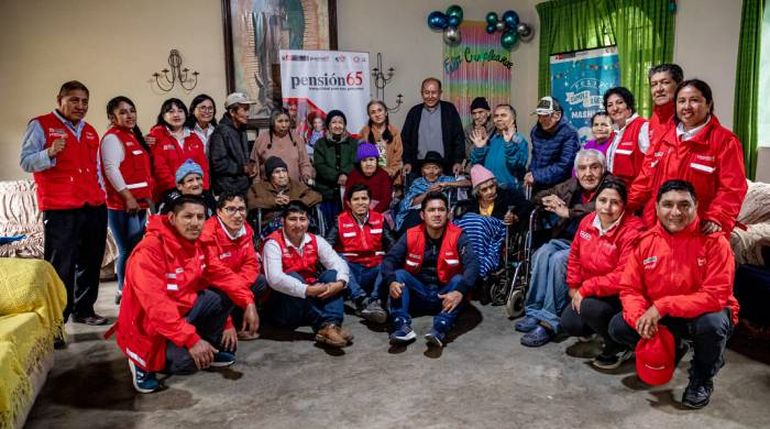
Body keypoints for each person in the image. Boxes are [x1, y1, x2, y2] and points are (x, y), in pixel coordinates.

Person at [609, 180, 740, 409]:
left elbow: (716, 296)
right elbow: (630, 289)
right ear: (657, 207)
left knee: (712, 325)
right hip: (663, 316)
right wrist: (640, 317)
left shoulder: (715, 242)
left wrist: (662, 306)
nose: (675, 212)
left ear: (696, 205)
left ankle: (702, 376)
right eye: (667, 205)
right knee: (619, 326)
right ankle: (673, 347)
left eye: (684, 205)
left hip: (702, 314)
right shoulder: (645, 242)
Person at [113, 196, 258, 393]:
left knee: (223, 294)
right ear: (172, 218)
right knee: (187, 363)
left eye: (200, 217)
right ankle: (140, 361)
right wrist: (191, 340)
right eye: (188, 216)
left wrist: (247, 301)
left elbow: (220, 273)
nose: (195, 223)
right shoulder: (149, 251)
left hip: (182, 311)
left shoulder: (199, 243)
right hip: (148, 326)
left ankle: (208, 349)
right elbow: (157, 307)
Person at [19, 80, 109, 330]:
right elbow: (26, 162)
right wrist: (48, 152)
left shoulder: (90, 130)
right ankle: (58, 319)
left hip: (93, 204)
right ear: (60, 99)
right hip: (60, 207)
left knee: (91, 261)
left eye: (84, 101)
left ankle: (85, 309)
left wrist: (102, 194)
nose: (80, 106)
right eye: (74, 100)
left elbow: (97, 169)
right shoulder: (40, 125)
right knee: (61, 265)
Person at [627, 79, 748, 234]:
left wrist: (717, 217)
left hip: (699, 228)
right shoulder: (662, 139)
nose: (687, 107)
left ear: (709, 104)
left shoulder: (725, 141)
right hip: (657, 225)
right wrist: (624, 206)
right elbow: (644, 181)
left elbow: (732, 188)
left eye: (694, 100)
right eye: (681, 101)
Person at [516, 149, 610, 347]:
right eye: (582, 168)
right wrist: (546, 200)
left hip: (594, 245)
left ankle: (549, 321)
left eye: (594, 167)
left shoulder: (611, 184)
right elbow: (540, 194)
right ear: (576, 171)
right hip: (568, 239)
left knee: (559, 260)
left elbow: (597, 207)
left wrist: (568, 212)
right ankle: (534, 310)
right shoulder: (572, 184)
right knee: (543, 253)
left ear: (603, 169)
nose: (588, 173)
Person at [559, 178, 644, 369]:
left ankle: (618, 345)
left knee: (589, 308)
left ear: (624, 205)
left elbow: (624, 275)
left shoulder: (634, 230)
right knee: (569, 324)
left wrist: (585, 289)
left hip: (620, 295)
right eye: (602, 200)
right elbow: (574, 256)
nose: (607, 207)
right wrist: (573, 286)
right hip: (592, 292)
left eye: (615, 202)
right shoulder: (587, 221)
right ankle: (601, 330)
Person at [382, 191, 479, 347]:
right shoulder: (411, 234)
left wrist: (460, 291)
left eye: (441, 210)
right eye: (431, 210)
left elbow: (473, 264)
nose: (437, 214)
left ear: (448, 214)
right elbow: (389, 260)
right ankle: (401, 325)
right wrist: (391, 281)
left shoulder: (459, 235)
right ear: (422, 215)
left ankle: (441, 327)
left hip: (446, 297)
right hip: (418, 295)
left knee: (459, 279)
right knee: (399, 275)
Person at [261, 201, 353, 348]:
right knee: (292, 276)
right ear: (283, 221)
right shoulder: (272, 243)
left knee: (332, 274)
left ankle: (332, 325)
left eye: (302, 219)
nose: (298, 225)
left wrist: (340, 283)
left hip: (309, 302)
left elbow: (338, 262)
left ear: (309, 221)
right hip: (284, 308)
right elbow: (275, 279)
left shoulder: (315, 240)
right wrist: (307, 290)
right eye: (292, 219)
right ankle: (326, 325)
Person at [100, 96, 154, 303]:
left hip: (139, 204)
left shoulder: (132, 136)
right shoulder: (112, 138)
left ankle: (135, 288)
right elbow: (111, 170)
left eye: (132, 110)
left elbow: (140, 171)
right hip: (122, 205)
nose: (129, 115)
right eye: (123, 112)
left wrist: (146, 198)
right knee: (127, 249)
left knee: (137, 248)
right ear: (111, 117)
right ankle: (122, 290)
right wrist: (128, 197)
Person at [325, 183, 395, 323]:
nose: (361, 202)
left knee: (389, 259)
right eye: (356, 199)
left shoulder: (380, 219)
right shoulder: (340, 220)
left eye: (364, 198)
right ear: (349, 203)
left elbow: (392, 245)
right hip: (352, 270)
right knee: (338, 258)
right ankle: (362, 299)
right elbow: (327, 247)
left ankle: (372, 301)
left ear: (370, 201)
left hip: (375, 270)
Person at [200, 192, 260, 342]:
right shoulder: (208, 232)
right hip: (212, 284)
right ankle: (221, 324)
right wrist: (246, 299)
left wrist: (238, 288)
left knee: (261, 282)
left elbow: (251, 264)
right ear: (219, 212)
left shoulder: (246, 229)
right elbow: (214, 271)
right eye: (231, 209)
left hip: (233, 282)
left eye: (241, 209)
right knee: (219, 292)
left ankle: (242, 323)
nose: (238, 215)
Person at [401, 78, 465, 176]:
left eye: (434, 92)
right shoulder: (414, 112)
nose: (430, 96)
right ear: (421, 93)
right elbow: (405, 140)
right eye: (426, 92)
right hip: (418, 167)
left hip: (446, 167)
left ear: (440, 93)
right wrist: (407, 161)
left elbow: (458, 137)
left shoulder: (449, 110)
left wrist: (458, 161)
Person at [149, 98, 209, 202]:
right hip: (168, 190)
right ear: (163, 116)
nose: (176, 115)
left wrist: (204, 188)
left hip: (195, 189)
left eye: (180, 111)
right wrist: (179, 188)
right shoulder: (156, 136)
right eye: (171, 112)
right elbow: (160, 168)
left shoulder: (194, 137)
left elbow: (203, 166)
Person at [395, 151, 470, 232]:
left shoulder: (446, 179)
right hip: (420, 213)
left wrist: (447, 184)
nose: (431, 171)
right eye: (427, 168)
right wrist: (428, 192)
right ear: (422, 171)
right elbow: (411, 203)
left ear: (440, 171)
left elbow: (468, 183)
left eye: (435, 168)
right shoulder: (418, 182)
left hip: (442, 212)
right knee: (414, 217)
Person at [246, 156, 321, 234]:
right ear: (270, 175)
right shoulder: (259, 188)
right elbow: (251, 202)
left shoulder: (295, 185)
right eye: (277, 172)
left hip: (296, 219)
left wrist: (293, 202)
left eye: (284, 171)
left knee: (308, 223)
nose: (282, 175)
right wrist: (274, 201)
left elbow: (316, 196)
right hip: (272, 223)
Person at [524, 96, 580, 193]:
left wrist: (536, 176)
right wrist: (530, 173)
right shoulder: (535, 131)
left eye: (545, 116)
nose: (541, 120)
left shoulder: (570, 133)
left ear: (557, 115)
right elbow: (535, 157)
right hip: (537, 185)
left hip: (560, 188)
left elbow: (564, 166)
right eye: (539, 115)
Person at [469, 104, 529, 193]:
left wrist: (509, 144)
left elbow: (517, 164)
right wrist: (479, 148)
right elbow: (476, 166)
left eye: (503, 115)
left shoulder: (519, 140)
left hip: (510, 192)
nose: (499, 119)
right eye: (496, 116)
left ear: (513, 119)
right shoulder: (491, 140)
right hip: (489, 192)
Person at [313, 110, 359, 225]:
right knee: (330, 224)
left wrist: (345, 174)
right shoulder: (320, 143)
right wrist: (337, 176)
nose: (337, 126)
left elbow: (355, 162)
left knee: (349, 224)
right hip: (327, 191)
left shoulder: (353, 142)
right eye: (334, 122)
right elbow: (319, 165)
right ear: (328, 125)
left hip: (348, 189)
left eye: (340, 122)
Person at [208, 92, 257, 196]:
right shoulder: (221, 132)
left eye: (248, 109)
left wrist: (251, 165)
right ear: (232, 112)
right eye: (244, 110)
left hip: (242, 187)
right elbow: (218, 164)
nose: (248, 114)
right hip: (228, 190)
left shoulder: (241, 129)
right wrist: (242, 168)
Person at [251, 108, 314, 184]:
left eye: (286, 121)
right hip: (268, 190)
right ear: (272, 122)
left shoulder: (297, 139)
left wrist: (306, 176)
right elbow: (255, 167)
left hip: (294, 188)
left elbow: (305, 163)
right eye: (280, 121)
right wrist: (257, 188)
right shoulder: (262, 140)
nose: (284, 125)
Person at [603, 87, 650, 185]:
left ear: (629, 105)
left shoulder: (642, 127)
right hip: (616, 194)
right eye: (610, 105)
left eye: (619, 102)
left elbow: (650, 168)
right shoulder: (614, 133)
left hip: (635, 195)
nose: (615, 108)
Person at [359, 100, 404, 185]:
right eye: (373, 112)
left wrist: (391, 170)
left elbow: (398, 155)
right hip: (371, 178)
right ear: (370, 116)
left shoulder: (394, 131)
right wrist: (379, 170)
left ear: (386, 112)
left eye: (380, 110)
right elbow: (362, 157)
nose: (377, 114)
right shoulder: (364, 132)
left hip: (392, 177)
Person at [345, 142, 393, 214]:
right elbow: (347, 199)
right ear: (359, 163)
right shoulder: (353, 175)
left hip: (378, 212)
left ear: (376, 161)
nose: (368, 164)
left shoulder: (383, 175)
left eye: (371, 159)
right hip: (356, 212)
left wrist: (371, 214)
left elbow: (386, 199)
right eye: (364, 160)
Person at [647, 64, 684, 146]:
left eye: (665, 83)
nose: (659, 89)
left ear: (680, 85)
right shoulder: (652, 120)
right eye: (654, 84)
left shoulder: (689, 117)